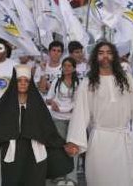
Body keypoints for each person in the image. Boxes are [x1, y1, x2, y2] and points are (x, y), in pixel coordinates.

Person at [65, 41, 133, 186]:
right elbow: (80, 113)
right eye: (101, 53)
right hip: (99, 141)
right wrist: (74, 141)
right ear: (95, 57)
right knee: (100, 179)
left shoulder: (126, 80)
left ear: (115, 56)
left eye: (109, 52)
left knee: (125, 180)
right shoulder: (87, 83)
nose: (105, 56)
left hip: (122, 140)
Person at [0, 65, 73, 186]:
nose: (23, 83)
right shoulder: (6, 104)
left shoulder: (37, 104)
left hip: (35, 153)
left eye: (27, 81)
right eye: (19, 80)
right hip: (11, 152)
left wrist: (63, 146)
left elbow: (48, 130)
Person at [46, 57, 80, 185]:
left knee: (73, 148)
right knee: (59, 148)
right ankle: (59, 177)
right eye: (64, 65)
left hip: (72, 119)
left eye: (69, 66)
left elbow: (80, 102)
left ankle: (71, 178)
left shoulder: (78, 83)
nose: (66, 68)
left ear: (74, 68)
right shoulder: (56, 82)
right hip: (58, 118)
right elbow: (48, 98)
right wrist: (52, 103)